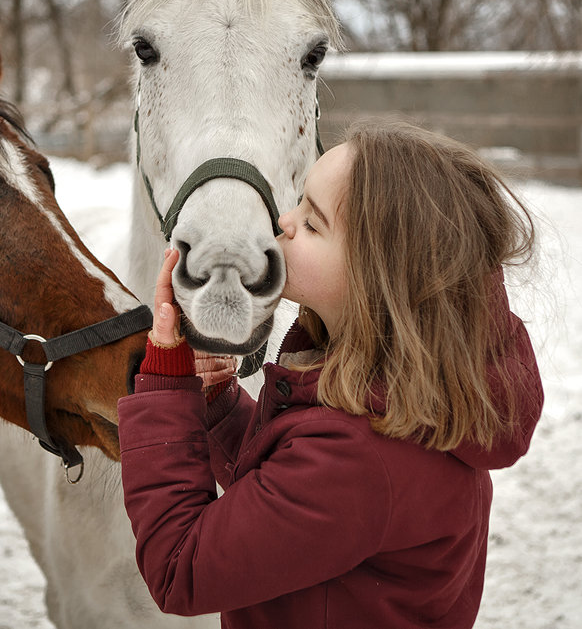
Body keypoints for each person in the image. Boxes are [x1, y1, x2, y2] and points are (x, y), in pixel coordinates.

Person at [118, 120, 543, 629]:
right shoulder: (412, 401)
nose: (284, 220)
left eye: (313, 223)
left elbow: (180, 566)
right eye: (299, 200)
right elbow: (287, 500)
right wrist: (218, 406)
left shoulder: (357, 461)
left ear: (379, 280)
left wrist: (165, 382)